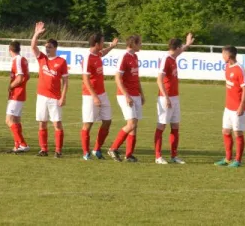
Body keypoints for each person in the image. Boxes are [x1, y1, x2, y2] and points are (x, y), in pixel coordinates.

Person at [154, 33, 194, 165]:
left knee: (175, 125)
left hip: (175, 97)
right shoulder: (166, 59)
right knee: (161, 125)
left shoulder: (173, 57)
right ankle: (158, 156)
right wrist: (166, 97)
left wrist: (188, 44)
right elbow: (159, 80)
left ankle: (173, 156)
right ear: (176, 47)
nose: (181, 49)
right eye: (180, 46)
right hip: (166, 97)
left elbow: (180, 51)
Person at [31, 22, 68, 158]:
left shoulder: (61, 62)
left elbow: (65, 82)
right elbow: (33, 46)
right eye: (46, 47)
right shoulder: (42, 58)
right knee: (42, 122)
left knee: (57, 123)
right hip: (42, 96)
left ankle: (58, 151)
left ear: (55, 48)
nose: (47, 49)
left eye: (49, 47)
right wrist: (36, 34)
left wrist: (63, 97)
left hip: (54, 97)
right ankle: (43, 149)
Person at [80, 33, 118, 160]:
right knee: (88, 124)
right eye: (102, 42)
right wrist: (94, 96)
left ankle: (96, 149)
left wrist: (112, 46)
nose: (104, 44)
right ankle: (86, 153)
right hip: (90, 96)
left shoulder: (98, 54)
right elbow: (85, 79)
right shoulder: (87, 58)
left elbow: (104, 52)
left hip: (103, 94)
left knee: (107, 121)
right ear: (96, 44)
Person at [107, 35, 145, 163]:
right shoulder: (124, 56)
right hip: (126, 95)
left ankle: (129, 155)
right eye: (140, 42)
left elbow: (136, 77)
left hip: (135, 94)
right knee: (131, 124)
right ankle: (113, 148)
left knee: (134, 126)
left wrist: (142, 94)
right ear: (133, 43)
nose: (141, 45)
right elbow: (117, 77)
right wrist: (126, 95)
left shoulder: (135, 56)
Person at [214, 45, 245, 168]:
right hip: (228, 107)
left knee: (237, 133)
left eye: (223, 54)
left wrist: (241, 105)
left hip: (238, 108)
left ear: (228, 56)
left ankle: (238, 160)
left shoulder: (240, 69)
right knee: (226, 131)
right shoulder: (227, 66)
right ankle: (228, 159)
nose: (222, 56)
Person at [6, 41, 30, 153]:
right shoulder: (24, 59)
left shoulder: (17, 60)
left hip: (17, 94)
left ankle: (23, 144)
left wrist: (11, 86)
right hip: (20, 93)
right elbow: (27, 76)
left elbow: (20, 77)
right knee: (15, 120)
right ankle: (17, 146)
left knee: (9, 120)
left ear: (10, 50)